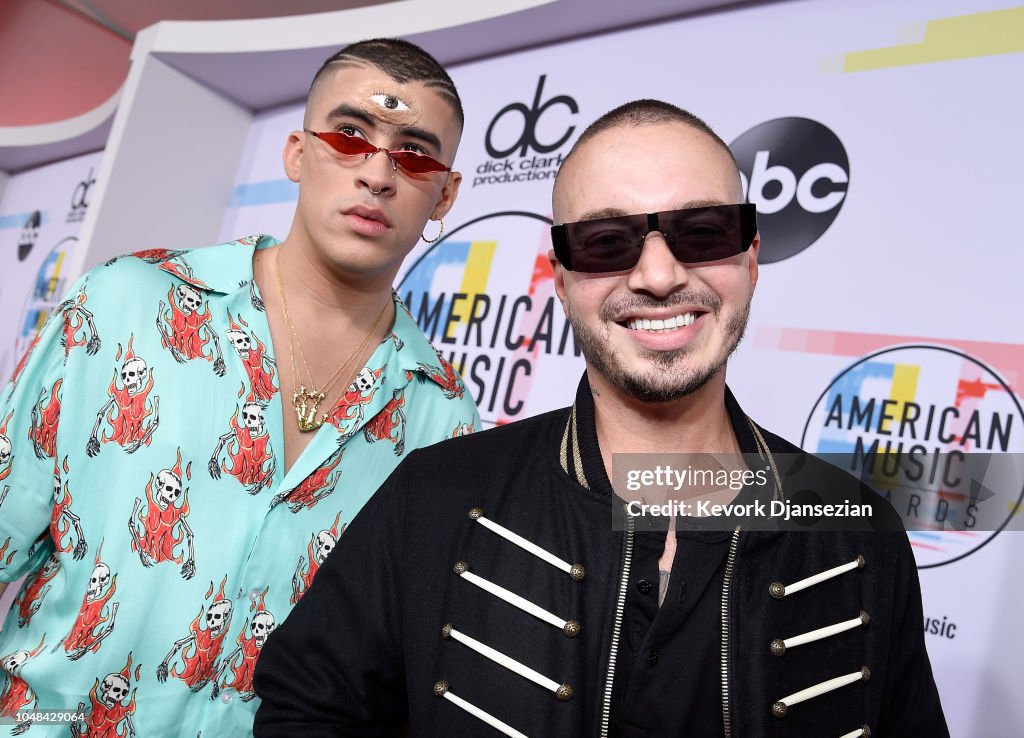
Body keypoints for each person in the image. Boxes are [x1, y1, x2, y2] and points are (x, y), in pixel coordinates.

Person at [252, 99, 949, 737]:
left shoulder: (859, 534)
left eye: (702, 230)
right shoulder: (435, 497)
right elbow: (307, 708)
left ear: (752, 257)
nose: (657, 275)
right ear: (560, 281)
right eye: (607, 242)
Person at [0, 38, 479, 736]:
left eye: (413, 153)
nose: (377, 174)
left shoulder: (444, 421)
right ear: (296, 153)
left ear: (445, 193)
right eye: (349, 135)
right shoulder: (124, 305)